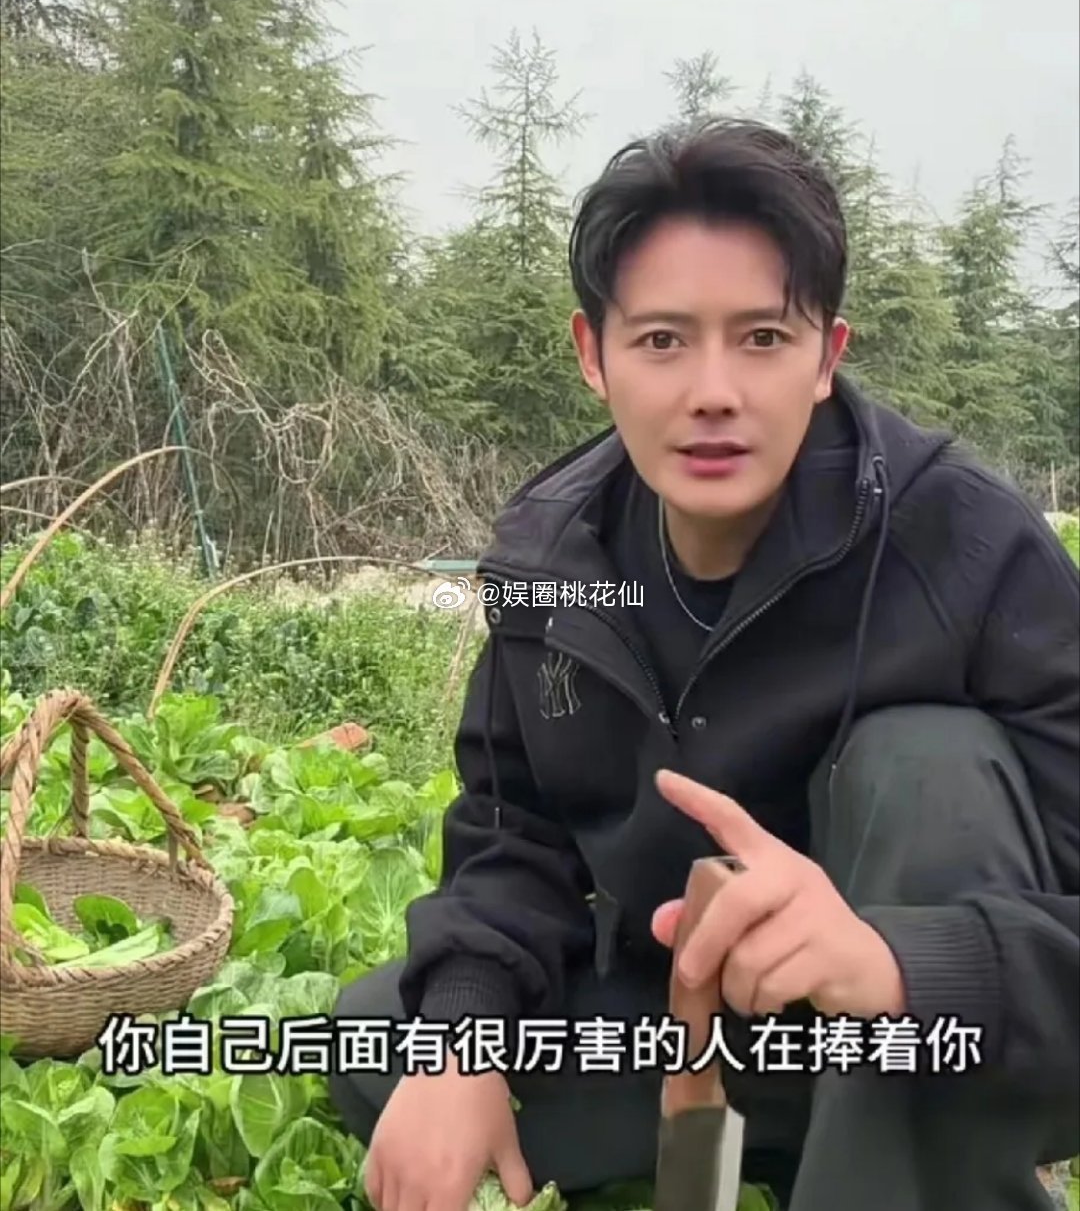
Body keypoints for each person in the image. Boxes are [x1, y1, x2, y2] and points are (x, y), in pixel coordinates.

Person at [328, 117, 1080, 1211]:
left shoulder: (965, 544)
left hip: (926, 1009)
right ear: (594, 356)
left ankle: (895, 1143)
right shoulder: (555, 559)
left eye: (763, 338)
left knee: (927, 763)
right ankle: (810, 1133)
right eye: (663, 341)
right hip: (696, 1016)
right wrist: (466, 1037)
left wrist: (898, 962)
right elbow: (512, 832)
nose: (713, 391)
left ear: (828, 357)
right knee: (383, 1039)